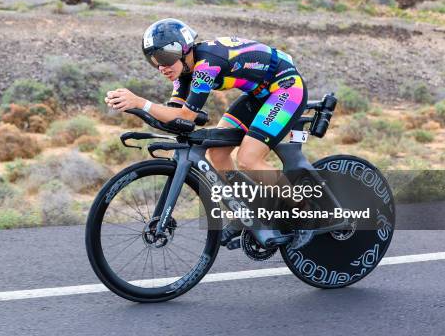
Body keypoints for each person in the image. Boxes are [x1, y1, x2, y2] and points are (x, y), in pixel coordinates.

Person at [105, 18, 312, 249]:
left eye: (164, 58)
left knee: (248, 158)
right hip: (258, 94)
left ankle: (305, 213)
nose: (161, 67)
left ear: (184, 50)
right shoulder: (184, 72)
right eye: (154, 62)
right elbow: (174, 114)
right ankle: (248, 211)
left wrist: (140, 102)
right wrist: (134, 108)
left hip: (285, 88)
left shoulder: (206, 65)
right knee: (218, 153)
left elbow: (186, 117)